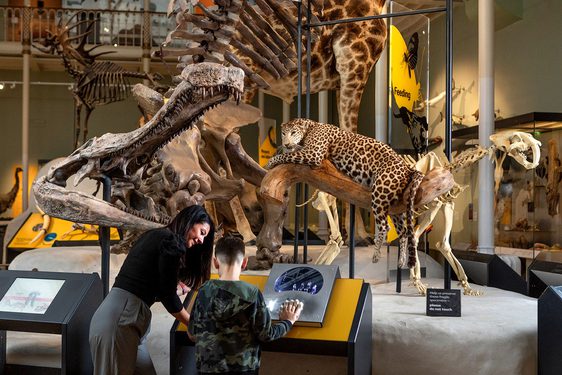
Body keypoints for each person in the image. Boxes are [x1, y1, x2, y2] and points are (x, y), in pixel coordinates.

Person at [89, 205, 215, 375]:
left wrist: (177, 290)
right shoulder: (169, 240)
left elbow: (154, 287)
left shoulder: (158, 236)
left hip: (127, 320)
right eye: (202, 232)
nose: (201, 240)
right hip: (120, 321)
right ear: (190, 222)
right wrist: (193, 324)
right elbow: (167, 296)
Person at [188, 234, 303, 374]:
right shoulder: (252, 294)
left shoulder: (203, 291)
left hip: (207, 369)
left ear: (215, 262)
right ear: (244, 263)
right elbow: (266, 334)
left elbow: (192, 333)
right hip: (243, 370)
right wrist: (288, 321)